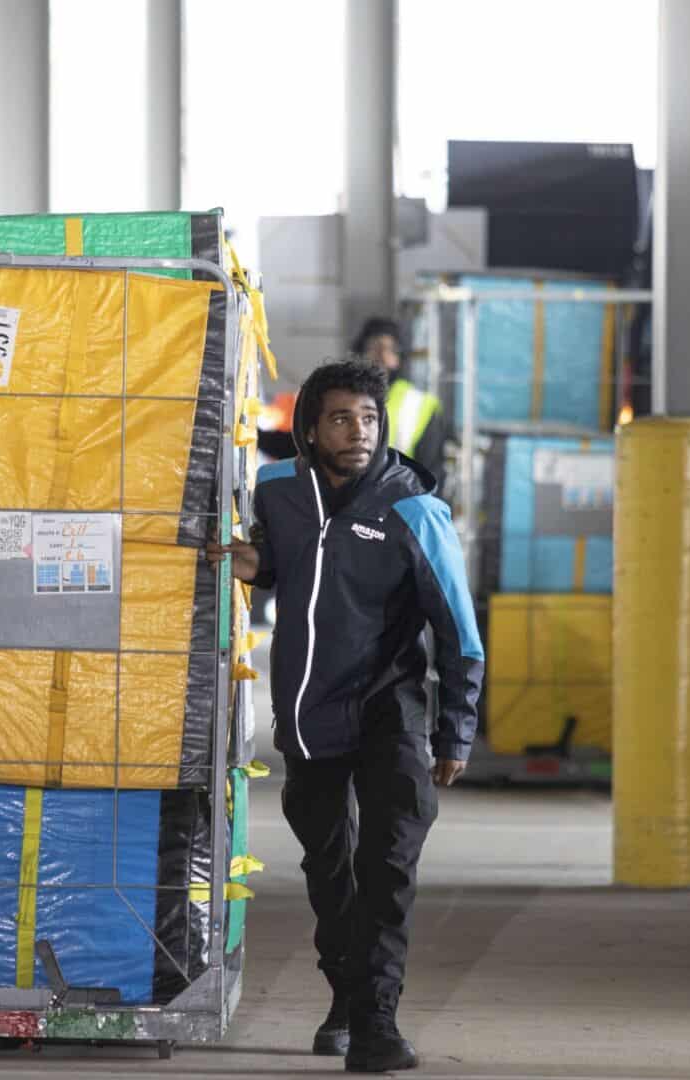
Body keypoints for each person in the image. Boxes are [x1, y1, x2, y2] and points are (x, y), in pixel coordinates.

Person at [207, 360, 483, 1073]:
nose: (358, 432)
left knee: (386, 868)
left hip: (392, 711)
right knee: (331, 876)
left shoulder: (413, 509)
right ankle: (347, 999)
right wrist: (252, 563)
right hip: (309, 713)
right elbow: (283, 565)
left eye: (368, 418)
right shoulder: (278, 491)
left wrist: (455, 730)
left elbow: (458, 630)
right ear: (309, 429)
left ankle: (376, 1024)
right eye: (340, 419)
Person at [352, 317, 449, 494]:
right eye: (374, 348)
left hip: (403, 504)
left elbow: (432, 477)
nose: (381, 357)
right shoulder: (342, 402)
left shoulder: (421, 405)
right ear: (360, 355)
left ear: (399, 358)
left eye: (389, 349)